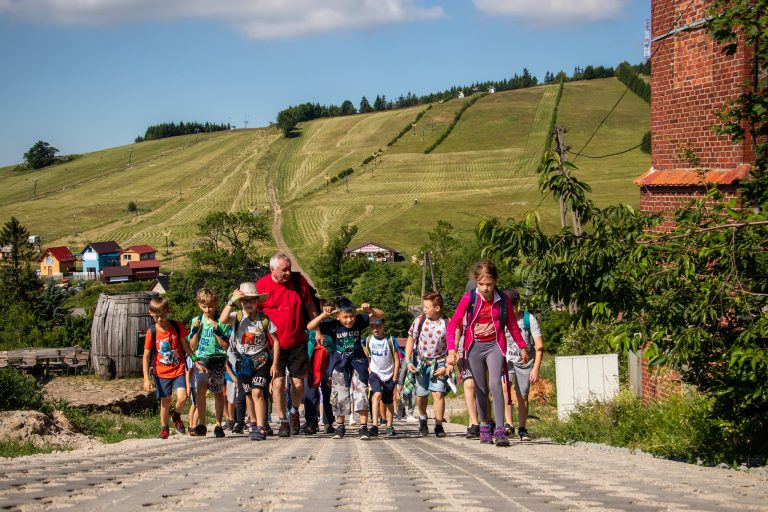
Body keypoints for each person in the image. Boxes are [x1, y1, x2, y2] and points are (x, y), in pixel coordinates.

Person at [447, 259, 527, 446]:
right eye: (481, 284)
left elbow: (512, 326)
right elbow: (453, 324)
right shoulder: (470, 298)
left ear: (496, 281)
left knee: (495, 384)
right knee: (480, 389)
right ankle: (484, 426)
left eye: (489, 284)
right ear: (476, 282)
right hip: (474, 347)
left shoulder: (502, 299)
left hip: (495, 346)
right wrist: (452, 349)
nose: (485, 288)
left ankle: (500, 430)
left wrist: (522, 346)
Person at [256, 252, 319, 437]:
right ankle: (283, 420)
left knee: (298, 384)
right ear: (272, 269)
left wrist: (318, 330)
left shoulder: (299, 283)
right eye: (284, 270)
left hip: (298, 340)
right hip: (273, 344)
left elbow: (309, 306)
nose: (288, 273)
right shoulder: (262, 286)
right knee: (278, 384)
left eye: (289, 269)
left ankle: (294, 412)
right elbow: (254, 314)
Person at [307, 298, 384, 440]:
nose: (349, 320)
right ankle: (340, 426)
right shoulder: (333, 325)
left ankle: (363, 427)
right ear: (338, 316)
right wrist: (323, 315)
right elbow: (310, 326)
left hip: (358, 362)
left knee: (361, 391)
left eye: (352, 316)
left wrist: (370, 309)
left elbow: (381, 315)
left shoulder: (360, 320)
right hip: (339, 363)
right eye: (345, 317)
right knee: (340, 394)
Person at [220, 282, 279, 441]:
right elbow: (222, 319)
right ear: (240, 302)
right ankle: (253, 422)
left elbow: (276, 341)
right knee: (247, 393)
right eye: (245, 300)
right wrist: (232, 301)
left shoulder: (264, 319)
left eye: (252, 300)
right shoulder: (237, 317)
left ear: (257, 301)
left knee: (258, 392)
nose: (248, 303)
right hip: (243, 362)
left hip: (261, 360)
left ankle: (261, 426)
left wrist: (274, 364)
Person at [142, 296, 191, 439]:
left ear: (168, 311)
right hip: (161, 372)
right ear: (151, 313)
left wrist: (196, 360)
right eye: (156, 316)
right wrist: (146, 378)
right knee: (166, 401)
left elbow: (186, 347)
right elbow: (145, 357)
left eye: (162, 315)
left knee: (182, 397)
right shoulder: (152, 332)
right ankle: (164, 428)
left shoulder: (177, 326)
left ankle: (176, 416)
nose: (159, 319)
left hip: (178, 369)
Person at [404, 292, 452, 438]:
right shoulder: (420, 320)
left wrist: (447, 365)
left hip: (439, 362)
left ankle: (438, 425)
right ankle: (423, 418)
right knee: (421, 395)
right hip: (421, 362)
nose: (424, 309)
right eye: (423, 306)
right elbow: (411, 339)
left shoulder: (447, 323)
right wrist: (407, 360)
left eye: (427, 307)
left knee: (438, 393)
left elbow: (452, 347)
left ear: (437, 308)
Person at [502, 288, 544, 441]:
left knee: (522, 395)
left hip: (526, 363)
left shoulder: (528, 319)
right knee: (505, 390)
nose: (509, 310)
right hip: (507, 361)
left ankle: (522, 428)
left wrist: (536, 368)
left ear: (517, 305)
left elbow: (539, 346)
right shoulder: (502, 318)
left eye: (511, 307)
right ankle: (508, 425)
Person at [188, 288, 230, 438]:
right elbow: (192, 345)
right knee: (200, 388)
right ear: (200, 305)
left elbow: (225, 345)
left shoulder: (222, 320)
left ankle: (219, 424)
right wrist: (195, 331)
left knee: (218, 392)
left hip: (217, 359)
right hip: (202, 359)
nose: (208, 310)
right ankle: (202, 424)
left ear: (216, 304)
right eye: (204, 307)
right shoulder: (196, 320)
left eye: (211, 306)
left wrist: (218, 331)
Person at [364, 317, 400, 437]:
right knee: (377, 395)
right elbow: (363, 350)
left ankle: (389, 426)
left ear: (383, 326)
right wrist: (368, 366)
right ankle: (374, 426)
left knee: (388, 401)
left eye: (378, 326)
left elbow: (396, 359)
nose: (375, 329)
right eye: (373, 327)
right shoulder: (368, 340)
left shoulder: (390, 340)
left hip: (389, 374)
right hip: (375, 373)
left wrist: (395, 377)